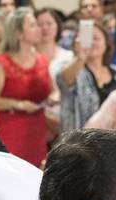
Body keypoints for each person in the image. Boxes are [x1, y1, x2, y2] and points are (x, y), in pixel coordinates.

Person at [0, 7, 50, 168]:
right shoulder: (1, 64)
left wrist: (53, 97)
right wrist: (17, 104)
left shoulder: (42, 60)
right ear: (19, 33)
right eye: (32, 25)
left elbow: (50, 91)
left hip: (36, 132)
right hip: (10, 131)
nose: (38, 29)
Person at [57, 22, 116, 133]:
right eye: (88, 38)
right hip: (81, 140)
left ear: (106, 42)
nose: (92, 43)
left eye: (96, 38)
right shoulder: (73, 70)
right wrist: (81, 57)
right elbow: (63, 80)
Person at [35, 8, 73, 144]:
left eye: (49, 24)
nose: (45, 28)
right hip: (35, 116)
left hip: (63, 115)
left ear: (57, 27)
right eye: (40, 24)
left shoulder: (69, 57)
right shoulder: (27, 57)